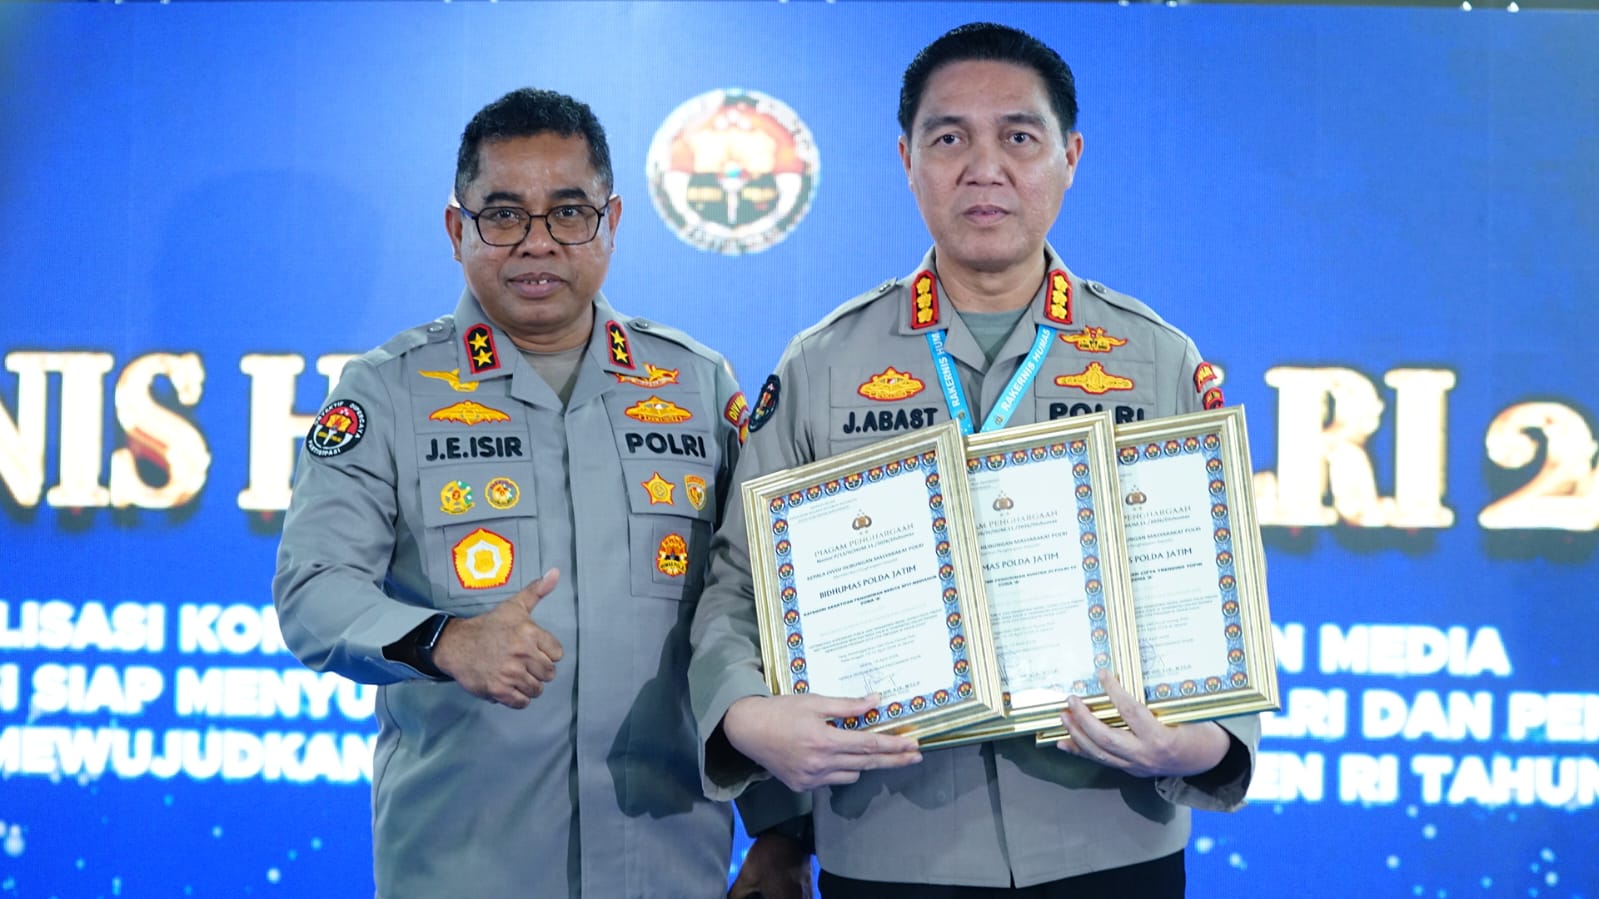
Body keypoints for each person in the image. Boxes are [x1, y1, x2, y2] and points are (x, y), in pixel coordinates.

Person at [689, 23, 1260, 898]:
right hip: (889, 841)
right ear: (906, 159)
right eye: (949, 138)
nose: (983, 167)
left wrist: (1205, 742)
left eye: (1018, 137)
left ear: (1069, 157)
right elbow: (740, 586)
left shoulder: (1156, 358)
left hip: (1110, 837)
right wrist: (745, 719)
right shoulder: (822, 365)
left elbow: (1217, 583)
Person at [273, 87, 797, 898]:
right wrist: (443, 638)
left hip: (665, 862)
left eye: (569, 212)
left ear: (611, 222)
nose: (537, 241)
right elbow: (314, 587)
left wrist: (782, 832)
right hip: (463, 864)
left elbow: (757, 604)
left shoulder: (696, 384)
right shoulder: (387, 391)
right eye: (503, 214)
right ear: (457, 229)